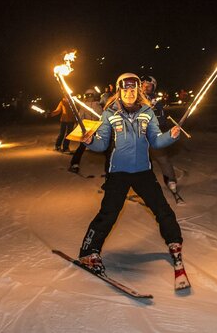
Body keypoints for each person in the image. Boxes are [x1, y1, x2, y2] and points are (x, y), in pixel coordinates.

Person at [78, 73, 184, 276]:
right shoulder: (110, 113)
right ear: (119, 90)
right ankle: (88, 252)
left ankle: (174, 242)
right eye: (125, 89)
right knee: (108, 213)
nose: (129, 93)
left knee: (162, 210)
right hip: (118, 172)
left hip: (143, 171)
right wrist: (90, 141)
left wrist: (169, 136)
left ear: (138, 91)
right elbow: (101, 145)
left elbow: (156, 141)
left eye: (133, 90)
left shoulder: (147, 112)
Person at [141, 75, 178, 192]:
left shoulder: (156, 102)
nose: (146, 87)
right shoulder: (134, 99)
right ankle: (143, 183)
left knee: (162, 157)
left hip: (153, 134)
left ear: (153, 87)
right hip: (138, 135)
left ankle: (170, 180)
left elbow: (162, 120)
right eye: (143, 85)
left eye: (149, 86)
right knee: (140, 160)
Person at [68, 89, 103, 174]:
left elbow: (101, 116)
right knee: (82, 146)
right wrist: (79, 128)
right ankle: (74, 163)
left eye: (91, 96)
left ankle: (111, 166)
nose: (89, 98)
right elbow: (80, 117)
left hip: (95, 127)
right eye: (88, 96)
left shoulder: (97, 105)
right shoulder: (85, 106)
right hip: (88, 128)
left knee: (104, 145)